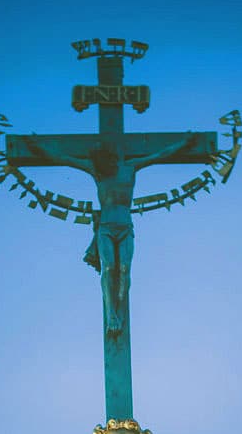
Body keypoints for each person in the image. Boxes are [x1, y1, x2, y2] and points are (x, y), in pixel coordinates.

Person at [26, 133, 195, 335]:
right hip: (106, 227)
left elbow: (160, 154)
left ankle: (120, 313)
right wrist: (37, 146)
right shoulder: (98, 171)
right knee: (108, 268)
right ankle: (111, 314)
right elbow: (64, 158)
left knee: (124, 268)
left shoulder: (131, 167)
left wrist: (184, 143)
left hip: (125, 226)